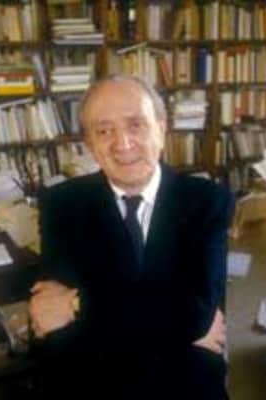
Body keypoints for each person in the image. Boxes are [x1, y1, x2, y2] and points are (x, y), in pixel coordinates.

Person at [28, 74, 233, 399]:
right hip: (96, 384)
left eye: (136, 125)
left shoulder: (207, 201)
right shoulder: (62, 204)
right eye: (104, 131)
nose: (122, 144)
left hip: (185, 384)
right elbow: (54, 326)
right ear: (89, 144)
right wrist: (174, 323)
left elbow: (196, 314)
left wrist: (77, 303)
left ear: (161, 129)